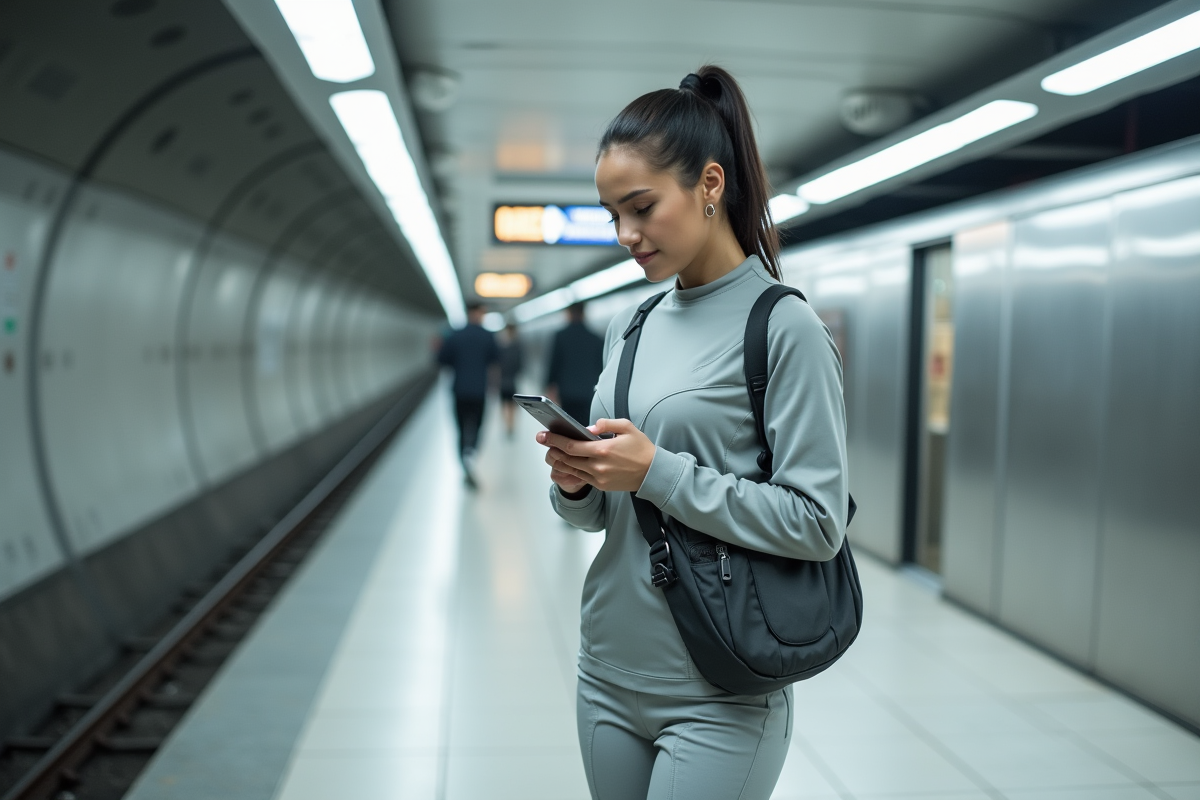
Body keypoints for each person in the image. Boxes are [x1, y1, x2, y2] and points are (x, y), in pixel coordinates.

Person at [534, 66, 849, 800]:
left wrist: (655, 473)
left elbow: (818, 522)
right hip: (606, 673)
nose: (625, 236)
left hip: (721, 689)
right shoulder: (631, 323)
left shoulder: (785, 328)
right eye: (612, 214)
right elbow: (606, 513)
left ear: (710, 184)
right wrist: (579, 483)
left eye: (640, 208)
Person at [437, 302, 498, 487]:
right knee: (477, 426)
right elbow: (495, 362)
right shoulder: (488, 336)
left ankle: (464, 459)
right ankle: (470, 454)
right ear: (479, 312)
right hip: (480, 391)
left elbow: (441, 360)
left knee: (461, 427)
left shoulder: (455, 335)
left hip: (459, 390)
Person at [545, 302, 604, 426]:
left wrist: (549, 386)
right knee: (586, 427)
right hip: (589, 392)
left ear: (569, 314)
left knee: (569, 426)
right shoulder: (596, 338)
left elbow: (554, 364)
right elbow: (600, 368)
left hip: (567, 392)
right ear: (583, 314)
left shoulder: (560, 336)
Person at [497, 323, 525, 436]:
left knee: (505, 404)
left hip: (503, 380)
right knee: (512, 404)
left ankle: (508, 424)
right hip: (512, 380)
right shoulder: (518, 346)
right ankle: (511, 425)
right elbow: (520, 365)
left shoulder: (501, 346)